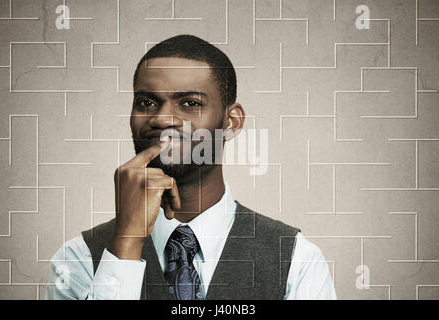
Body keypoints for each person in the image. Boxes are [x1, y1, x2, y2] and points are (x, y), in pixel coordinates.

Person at [45, 34, 336, 300]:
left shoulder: (296, 260)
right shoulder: (78, 259)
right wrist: (126, 244)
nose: (161, 119)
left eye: (190, 103)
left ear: (231, 122)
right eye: (146, 101)